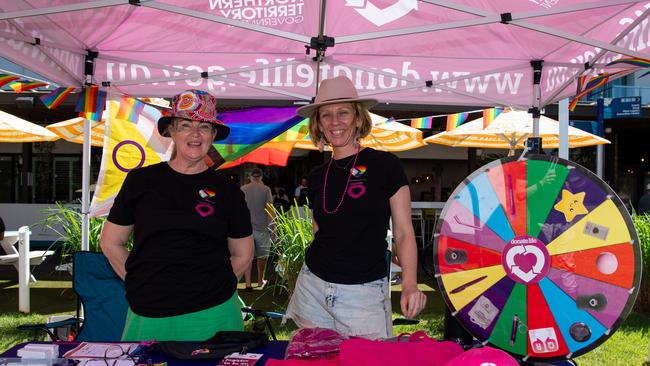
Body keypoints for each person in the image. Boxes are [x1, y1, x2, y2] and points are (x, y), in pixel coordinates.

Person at [100, 89, 254, 341]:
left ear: (213, 135)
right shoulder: (141, 181)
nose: (195, 134)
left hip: (213, 311)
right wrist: (138, 280)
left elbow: (243, 253)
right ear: (171, 131)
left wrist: (212, 285)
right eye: (185, 125)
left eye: (204, 127)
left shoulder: (228, 191)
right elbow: (110, 241)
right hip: (149, 310)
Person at [284, 76, 427, 339]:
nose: (334, 121)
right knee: (316, 357)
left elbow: (405, 233)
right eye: (326, 115)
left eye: (343, 112)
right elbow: (319, 229)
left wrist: (409, 284)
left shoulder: (386, 166)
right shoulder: (316, 175)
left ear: (359, 118)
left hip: (363, 293)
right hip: (312, 287)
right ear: (318, 124)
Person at [240, 167, 273, 291]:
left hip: (246, 228)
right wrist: (273, 228)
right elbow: (270, 210)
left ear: (250, 176)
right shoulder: (266, 189)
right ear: (261, 176)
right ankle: (260, 281)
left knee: (248, 256)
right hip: (262, 227)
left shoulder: (243, 189)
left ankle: (248, 284)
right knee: (262, 256)